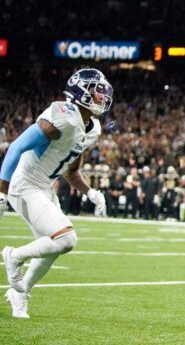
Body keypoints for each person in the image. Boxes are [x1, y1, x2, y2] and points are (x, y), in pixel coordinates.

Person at [0, 68, 113, 319]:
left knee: (53, 246)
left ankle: (20, 294)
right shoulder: (62, 116)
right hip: (25, 184)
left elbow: (71, 171)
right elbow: (16, 147)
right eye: (96, 91)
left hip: (44, 187)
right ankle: (13, 255)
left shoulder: (91, 127)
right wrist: (2, 192)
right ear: (80, 91)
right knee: (66, 239)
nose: (102, 96)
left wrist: (90, 192)